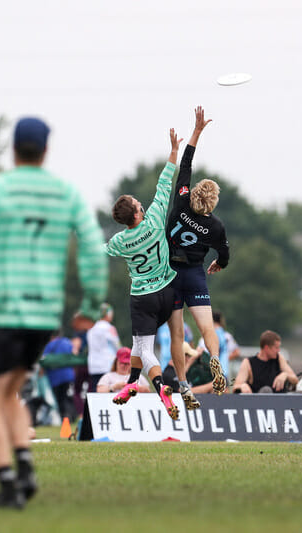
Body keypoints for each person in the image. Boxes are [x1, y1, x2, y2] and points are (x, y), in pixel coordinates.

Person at [0, 116, 107, 511]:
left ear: (13, 149)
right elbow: (91, 248)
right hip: (43, 315)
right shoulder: (66, 193)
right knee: (10, 391)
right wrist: (90, 305)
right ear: (46, 151)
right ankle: (26, 463)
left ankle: (8, 482)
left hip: (2, 311)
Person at [104, 128, 182, 420]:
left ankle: (160, 385)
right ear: (137, 214)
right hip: (168, 292)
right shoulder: (155, 219)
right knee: (138, 344)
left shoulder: (120, 241)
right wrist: (173, 151)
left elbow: (100, 250)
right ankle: (133, 383)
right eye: (138, 203)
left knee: (145, 348)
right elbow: (165, 183)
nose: (142, 203)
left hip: (143, 299)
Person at [165, 106, 229, 409]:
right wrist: (218, 264)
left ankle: (183, 383)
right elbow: (224, 254)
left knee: (177, 334)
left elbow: (186, 163)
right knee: (207, 329)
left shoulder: (180, 200)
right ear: (213, 202)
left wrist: (197, 130)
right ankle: (215, 359)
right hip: (194, 275)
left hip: (169, 275)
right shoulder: (215, 226)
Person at [232, 330, 297, 394]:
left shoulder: (279, 358)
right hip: (260, 401)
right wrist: (242, 386)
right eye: (276, 348)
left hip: (280, 401)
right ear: (266, 348)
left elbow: (295, 380)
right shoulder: (248, 363)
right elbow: (236, 386)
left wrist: (285, 374)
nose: (278, 350)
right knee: (266, 390)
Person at [41, 333, 78, 422]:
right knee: (68, 397)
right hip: (69, 376)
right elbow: (74, 354)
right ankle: (71, 417)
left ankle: (65, 418)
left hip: (55, 378)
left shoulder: (50, 345)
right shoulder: (67, 342)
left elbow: (44, 360)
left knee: (60, 399)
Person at [86, 303, 120, 392]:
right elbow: (118, 346)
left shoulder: (91, 329)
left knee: (95, 390)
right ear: (108, 314)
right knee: (108, 391)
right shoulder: (109, 328)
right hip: (107, 365)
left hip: (93, 365)